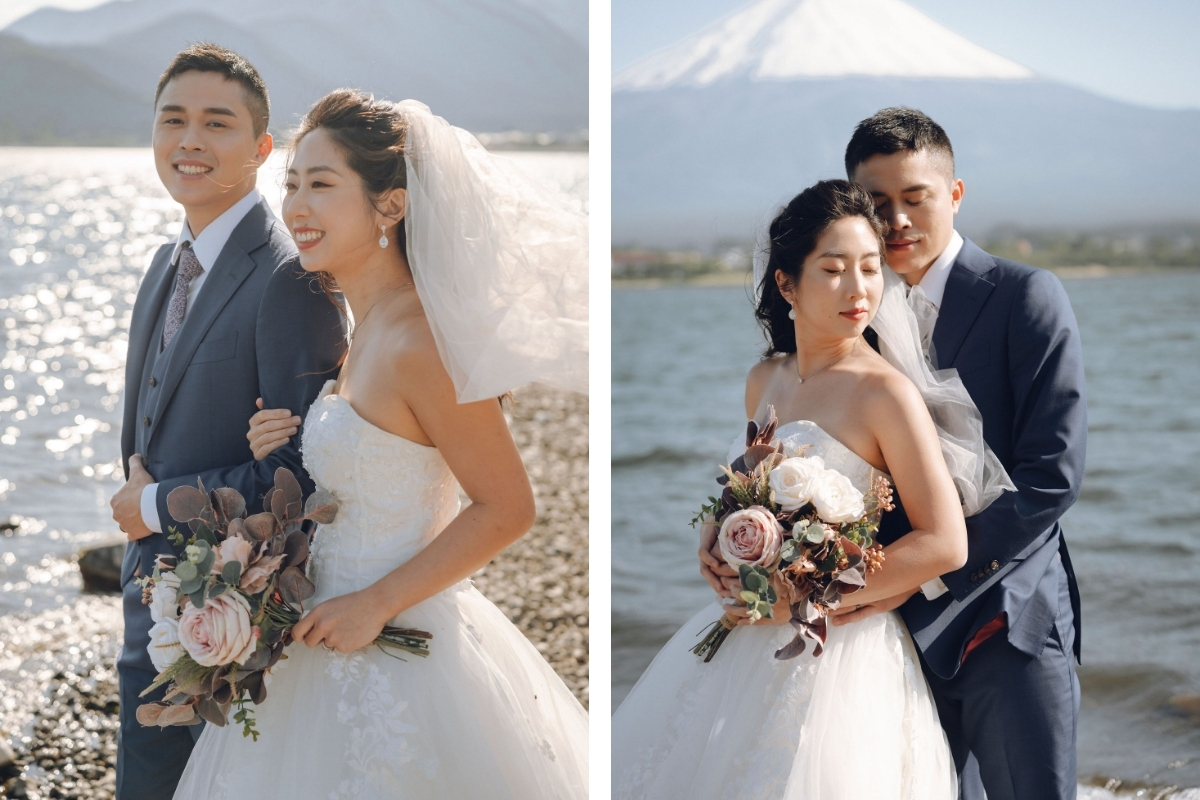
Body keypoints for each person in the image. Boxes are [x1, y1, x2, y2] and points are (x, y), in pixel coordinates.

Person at [171, 90, 588, 799]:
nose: (297, 207)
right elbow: (386, 458)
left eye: (323, 185)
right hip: (322, 631)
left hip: (394, 637)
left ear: (389, 206)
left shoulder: (420, 339)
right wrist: (297, 441)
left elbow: (508, 507)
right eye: (293, 184)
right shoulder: (366, 329)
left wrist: (376, 603)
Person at [613, 179, 996, 798]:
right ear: (787, 283)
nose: (859, 288)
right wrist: (716, 540)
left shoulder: (884, 392)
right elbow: (745, 480)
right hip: (747, 632)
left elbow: (944, 542)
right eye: (834, 268)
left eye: (871, 268)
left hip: (836, 653)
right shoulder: (765, 378)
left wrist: (805, 603)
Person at [109, 43, 345, 800]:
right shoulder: (163, 260)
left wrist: (149, 506)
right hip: (151, 593)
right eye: (173, 120)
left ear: (262, 148)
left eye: (217, 124)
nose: (190, 141)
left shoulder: (289, 280)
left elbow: (308, 473)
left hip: (223, 618)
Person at [836, 108, 1086, 800]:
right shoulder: (851, 320)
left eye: (914, 197)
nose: (897, 221)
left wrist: (928, 567)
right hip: (888, 635)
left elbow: (1052, 474)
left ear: (954, 194)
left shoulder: (1025, 296)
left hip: (1010, 614)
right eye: (876, 204)